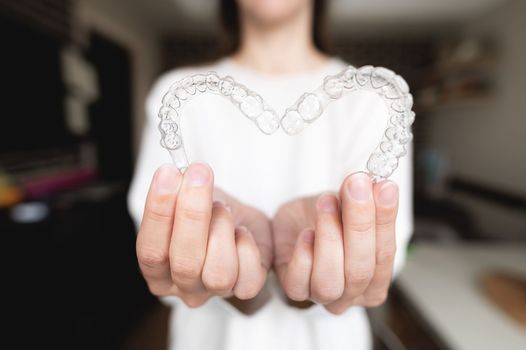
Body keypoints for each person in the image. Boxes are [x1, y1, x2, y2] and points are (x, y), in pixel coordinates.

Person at [128, 0, 413, 349]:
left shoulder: (373, 99)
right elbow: (162, 246)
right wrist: (225, 280)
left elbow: (379, 258)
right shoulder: (176, 95)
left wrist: (312, 281)